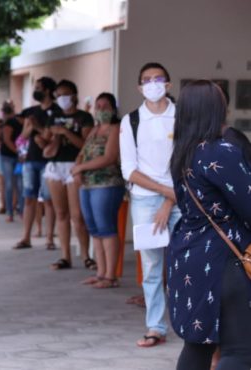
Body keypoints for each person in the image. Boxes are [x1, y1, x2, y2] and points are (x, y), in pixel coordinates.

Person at [168, 80, 251, 369]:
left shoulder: (183, 152)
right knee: (240, 351)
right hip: (225, 261)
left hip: (190, 258)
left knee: (197, 348)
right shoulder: (221, 151)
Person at [119, 62, 181, 348]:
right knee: (152, 266)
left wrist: (170, 199)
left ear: (168, 84)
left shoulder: (181, 116)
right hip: (145, 199)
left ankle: (190, 326)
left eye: (158, 78)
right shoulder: (131, 121)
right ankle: (155, 327)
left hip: (181, 197)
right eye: (147, 79)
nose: (153, 83)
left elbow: (189, 160)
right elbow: (129, 170)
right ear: (139, 87)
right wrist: (165, 193)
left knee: (186, 264)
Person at [39, 80, 94, 271]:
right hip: (55, 165)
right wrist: (50, 136)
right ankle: (65, 256)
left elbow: (85, 145)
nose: (62, 98)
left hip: (75, 165)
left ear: (74, 95)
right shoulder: (53, 116)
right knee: (60, 213)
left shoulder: (84, 117)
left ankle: (86, 255)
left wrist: (65, 132)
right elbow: (44, 143)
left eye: (66, 94)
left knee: (77, 215)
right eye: (59, 95)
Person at [71, 93, 124, 287]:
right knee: (94, 229)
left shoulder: (116, 129)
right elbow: (82, 153)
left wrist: (81, 168)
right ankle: (101, 272)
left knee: (106, 228)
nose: (101, 110)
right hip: (87, 185)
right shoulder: (94, 130)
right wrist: (77, 168)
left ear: (113, 109)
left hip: (107, 184)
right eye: (98, 106)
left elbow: (109, 157)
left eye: (105, 106)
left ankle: (111, 276)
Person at [14, 77, 60, 250]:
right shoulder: (31, 111)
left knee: (48, 200)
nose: (36, 90)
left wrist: (38, 127)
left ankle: (50, 238)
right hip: (31, 160)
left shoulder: (56, 111)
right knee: (29, 199)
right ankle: (25, 237)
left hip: (48, 161)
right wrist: (30, 126)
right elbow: (24, 136)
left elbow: (50, 135)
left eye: (38, 87)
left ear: (47, 90)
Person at [0, 101, 23, 222]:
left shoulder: (14, 121)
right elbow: (6, 140)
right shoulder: (7, 123)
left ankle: (17, 211)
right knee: (11, 184)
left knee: (17, 184)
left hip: (14, 156)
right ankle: (11, 211)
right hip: (9, 156)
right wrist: (18, 152)